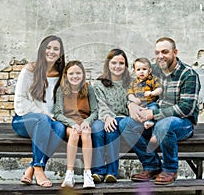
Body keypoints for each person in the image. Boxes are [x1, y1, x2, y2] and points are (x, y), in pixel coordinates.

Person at [120, 37, 201, 185]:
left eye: (165, 52)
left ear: (175, 52)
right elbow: (133, 89)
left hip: (181, 123)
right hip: (153, 120)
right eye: (157, 52)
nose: (160, 56)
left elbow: (186, 108)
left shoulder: (188, 75)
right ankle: (152, 166)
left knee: (164, 125)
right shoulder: (152, 70)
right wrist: (131, 105)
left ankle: (170, 169)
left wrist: (153, 114)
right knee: (125, 124)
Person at [12, 35, 66, 188]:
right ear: (42, 50)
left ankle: (32, 168)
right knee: (42, 119)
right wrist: (42, 113)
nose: (51, 51)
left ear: (61, 53)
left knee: (60, 128)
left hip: (49, 122)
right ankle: (39, 169)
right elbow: (20, 100)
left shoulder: (61, 73)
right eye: (48, 48)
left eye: (56, 49)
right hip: (24, 120)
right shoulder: (30, 70)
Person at [53, 60, 98, 188]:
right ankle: (69, 173)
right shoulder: (61, 90)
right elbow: (58, 113)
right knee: (73, 134)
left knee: (86, 133)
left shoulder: (88, 88)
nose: (75, 76)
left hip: (84, 122)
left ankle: (87, 174)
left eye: (78, 73)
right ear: (66, 75)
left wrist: (86, 122)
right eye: (71, 73)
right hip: (69, 123)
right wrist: (72, 123)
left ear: (83, 74)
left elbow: (95, 111)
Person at [91, 48, 131, 183]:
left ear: (126, 66)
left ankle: (111, 173)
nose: (117, 66)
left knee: (111, 129)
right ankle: (98, 172)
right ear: (108, 64)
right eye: (114, 63)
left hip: (122, 118)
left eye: (121, 63)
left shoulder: (131, 83)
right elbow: (100, 104)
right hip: (102, 117)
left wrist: (113, 119)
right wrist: (108, 117)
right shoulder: (98, 84)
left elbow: (130, 104)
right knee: (96, 129)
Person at [127, 57, 162, 143]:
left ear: (149, 71)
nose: (141, 71)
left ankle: (149, 122)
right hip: (139, 106)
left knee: (154, 108)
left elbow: (159, 89)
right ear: (134, 72)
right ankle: (139, 126)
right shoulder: (133, 83)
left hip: (150, 103)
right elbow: (129, 94)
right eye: (138, 69)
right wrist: (134, 99)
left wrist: (152, 93)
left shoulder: (152, 80)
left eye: (144, 69)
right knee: (133, 114)